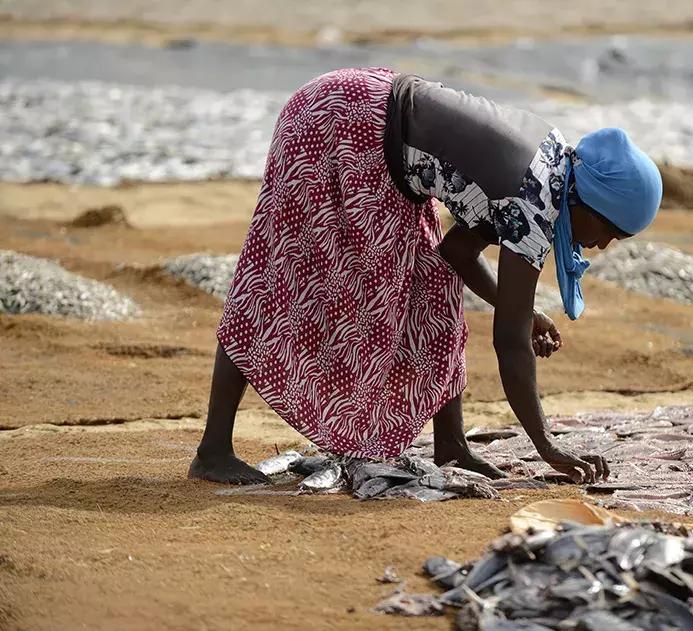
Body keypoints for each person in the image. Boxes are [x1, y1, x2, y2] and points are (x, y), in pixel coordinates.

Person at [188, 67, 662, 485]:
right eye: (609, 231)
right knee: (279, 279)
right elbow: (511, 343)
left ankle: (451, 444)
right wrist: (547, 446)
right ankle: (213, 451)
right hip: (343, 128)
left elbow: (456, 251)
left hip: (365, 117)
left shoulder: (555, 165)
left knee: (432, 284)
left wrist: (519, 307)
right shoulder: (535, 201)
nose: (602, 245)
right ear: (587, 203)